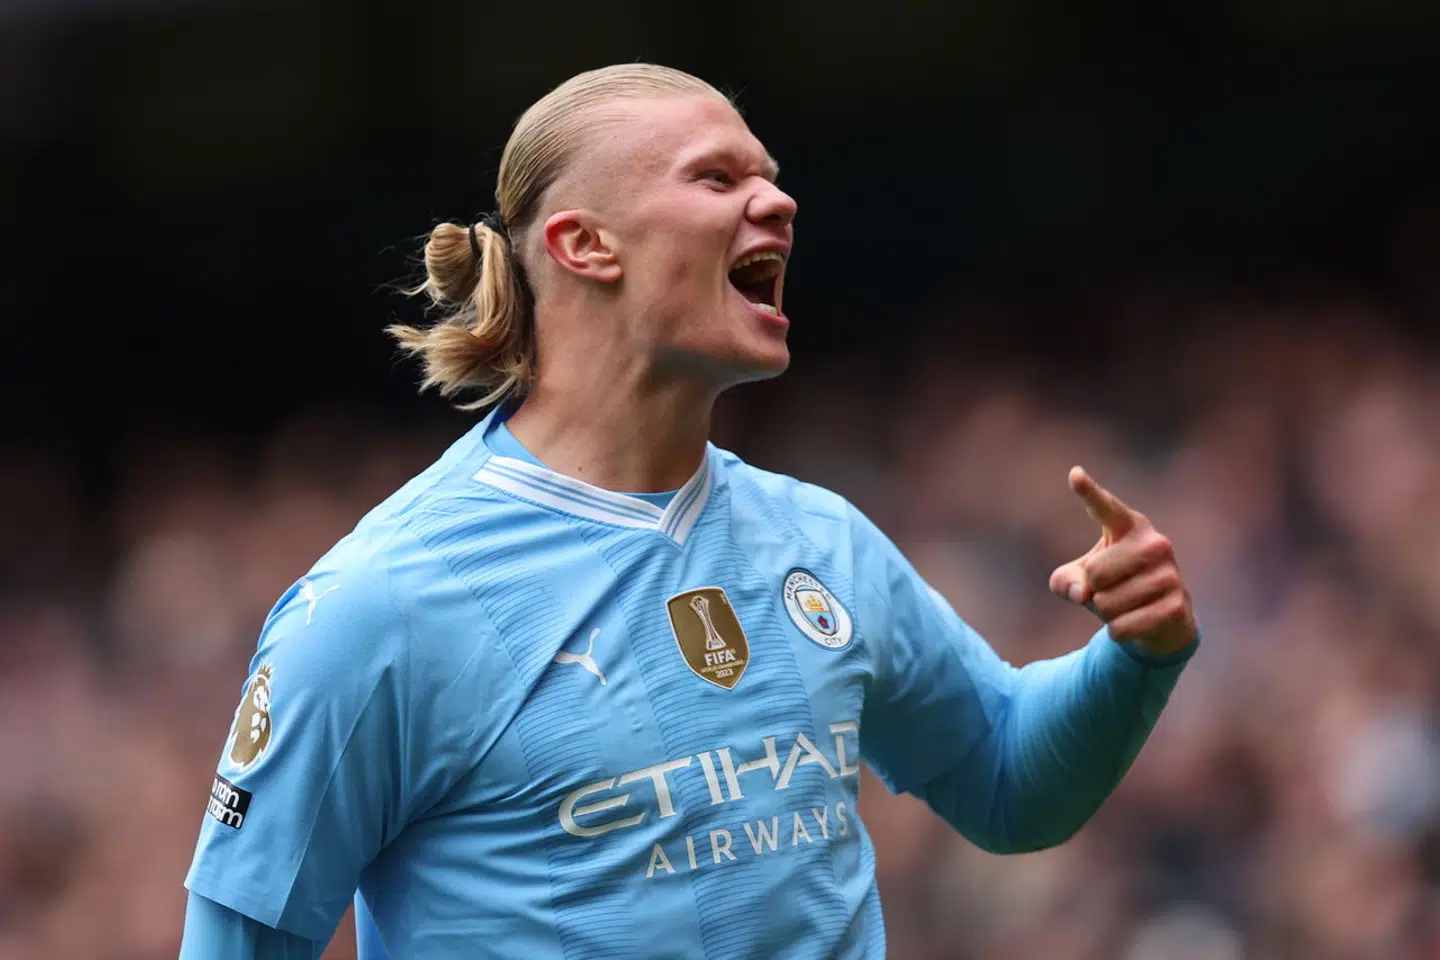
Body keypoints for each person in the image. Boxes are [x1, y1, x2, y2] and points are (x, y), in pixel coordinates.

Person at [179, 63, 1200, 959]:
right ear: (585, 245)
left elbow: (1009, 780)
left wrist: (1134, 654)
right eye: (719, 179)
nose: (780, 203)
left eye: (771, 174)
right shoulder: (383, 604)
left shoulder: (820, 541)